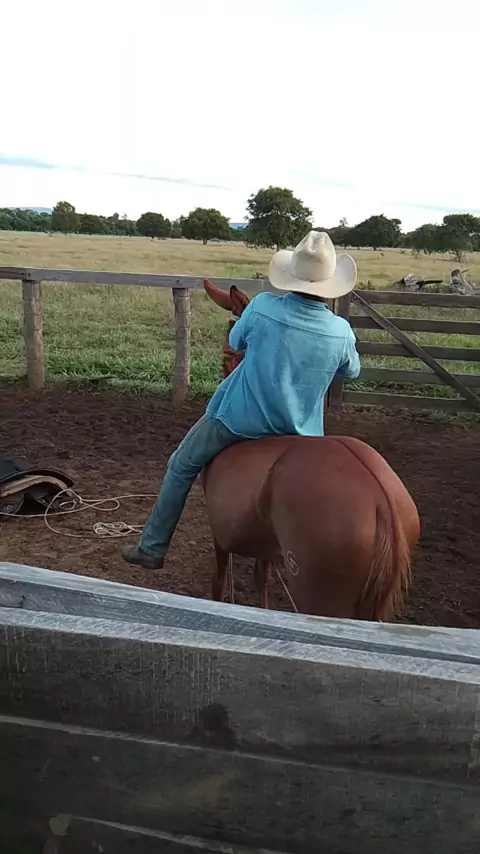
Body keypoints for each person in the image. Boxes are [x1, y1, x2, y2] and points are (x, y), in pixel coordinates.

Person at [123, 230, 361, 570]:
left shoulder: (262, 307)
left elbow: (236, 342)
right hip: (302, 434)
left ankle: (152, 547)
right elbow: (352, 370)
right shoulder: (341, 330)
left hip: (238, 420)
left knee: (181, 464)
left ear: (292, 275)